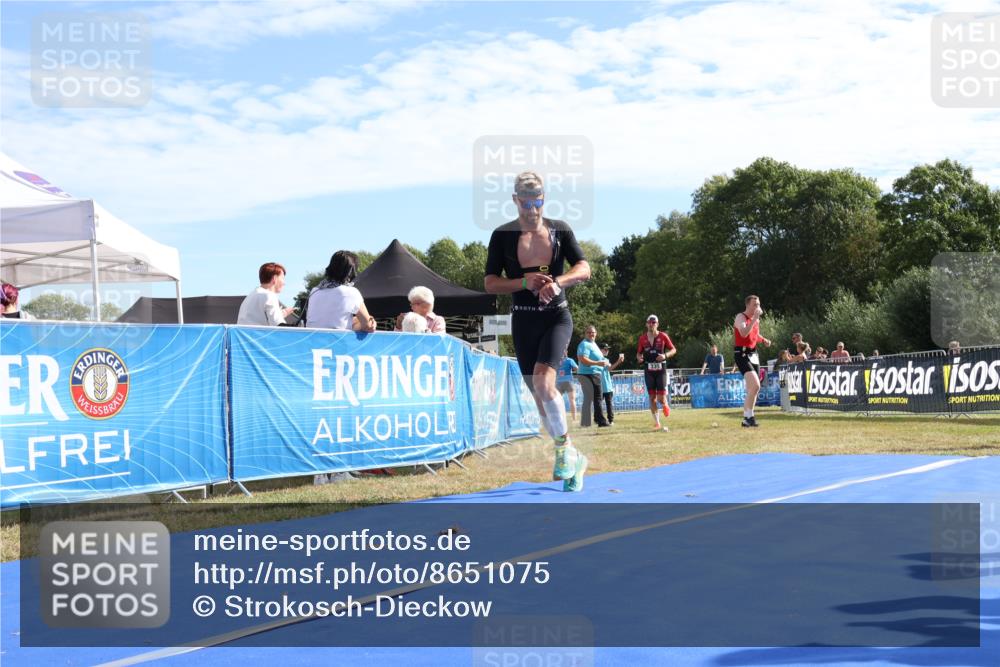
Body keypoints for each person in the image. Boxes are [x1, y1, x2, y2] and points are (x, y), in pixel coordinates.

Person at [484, 171, 591, 492]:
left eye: (539, 201)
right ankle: (574, 459)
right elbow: (490, 282)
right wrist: (522, 282)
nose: (533, 209)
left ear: (545, 199)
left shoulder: (560, 230)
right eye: (526, 202)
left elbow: (584, 268)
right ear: (516, 201)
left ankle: (563, 450)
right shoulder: (502, 236)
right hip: (523, 320)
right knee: (539, 397)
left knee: (545, 383)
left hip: (556, 317)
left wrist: (557, 282)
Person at [306, 251, 377, 332]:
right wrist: (372, 320)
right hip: (336, 342)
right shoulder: (351, 292)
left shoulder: (315, 291)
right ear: (351, 272)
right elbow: (368, 326)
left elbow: (328, 320)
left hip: (312, 341)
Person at [734, 295, 772, 427]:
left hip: (753, 353)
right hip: (742, 353)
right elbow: (744, 332)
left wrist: (764, 340)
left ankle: (749, 417)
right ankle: (747, 417)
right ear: (748, 305)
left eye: (758, 304)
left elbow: (754, 335)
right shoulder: (740, 317)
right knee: (755, 385)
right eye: (754, 305)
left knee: (754, 388)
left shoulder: (756, 320)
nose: (757, 307)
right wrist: (755, 318)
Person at [636, 314, 676, 431]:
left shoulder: (663, 336)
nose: (652, 324)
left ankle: (665, 404)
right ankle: (657, 422)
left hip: (661, 370)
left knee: (660, 399)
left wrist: (665, 355)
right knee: (652, 397)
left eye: (654, 322)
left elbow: (673, 349)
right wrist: (639, 358)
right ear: (646, 324)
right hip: (648, 370)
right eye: (650, 322)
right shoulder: (642, 338)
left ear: (657, 324)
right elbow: (638, 353)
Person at [577, 325, 611, 428]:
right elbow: (583, 359)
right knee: (597, 397)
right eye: (589, 332)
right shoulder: (585, 344)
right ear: (585, 334)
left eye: (593, 332)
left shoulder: (593, 344)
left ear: (596, 333)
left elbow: (598, 358)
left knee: (589, 398)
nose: (592, 334)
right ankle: (601, 421)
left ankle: (586, 421)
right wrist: (598, 363)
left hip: (593, 373)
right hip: (589, 374)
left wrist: (604, 362)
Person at [599, 343, 625, 425]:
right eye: (605, 349)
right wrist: (618, 361)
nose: (607, 351)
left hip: (606, 385)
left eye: (608, 349)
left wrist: (618, 361)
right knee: (601, 404)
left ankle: (609, 420)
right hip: (601, 385)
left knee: (606, 404)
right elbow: (610, 368)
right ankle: (604, 420)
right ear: (600, 350)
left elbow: (609, 369)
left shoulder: (605, 359)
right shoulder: (598, 359)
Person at [555, 347, 579, 422]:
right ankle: (574, 419)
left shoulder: (556, 361)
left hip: (559, 382)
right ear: (566, 352)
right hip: (568, 382)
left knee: (558, 401)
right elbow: (577, 369)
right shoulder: (569, 360)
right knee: (572, 400)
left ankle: (559, 419)